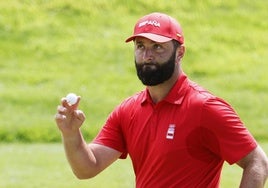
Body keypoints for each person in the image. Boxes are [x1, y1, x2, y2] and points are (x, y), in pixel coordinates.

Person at [55, 12, 268, 187]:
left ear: (180, 52)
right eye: (140, 46)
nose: (147, 55)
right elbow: (87, 168)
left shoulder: (205, 108)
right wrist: (71, 134)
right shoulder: (128, 111)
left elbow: (258, 162)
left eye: (157, 47)